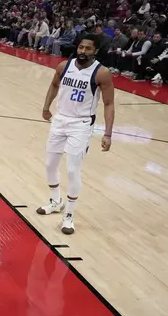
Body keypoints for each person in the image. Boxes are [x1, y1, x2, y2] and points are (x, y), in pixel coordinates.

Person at [38, 34, 115, 234]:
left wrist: (108, 134)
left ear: (95, 51)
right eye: (81, 47)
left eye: (88, 48)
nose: (83, 51)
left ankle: (69, 214)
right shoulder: (64, 66)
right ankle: (56, 202)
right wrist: (46, 107)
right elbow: (54, 85)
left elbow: (108, 103)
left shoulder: (102, 73)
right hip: (60, 120)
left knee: (72, 170)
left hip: (81, 124)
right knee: (50, 165)